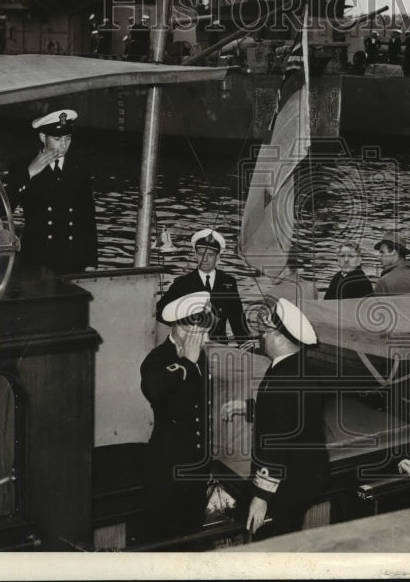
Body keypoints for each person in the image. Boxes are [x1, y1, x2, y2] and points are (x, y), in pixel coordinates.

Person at [221, 298, 329, 539]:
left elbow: (277, 440)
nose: (262, 338)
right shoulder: (300, 367)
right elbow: (289, 414)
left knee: (272, 536)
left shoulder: (282, 379)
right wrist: (249, 407)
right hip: (307, 472)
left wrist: (262, 497)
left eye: (266, 333)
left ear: (280, 338)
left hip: (288, 480)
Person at [140, 291, 215, 542]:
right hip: (167, 469)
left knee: (192, 533)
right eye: (199, 332)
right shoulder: (157, 359)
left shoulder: (200, 356)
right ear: (180, 328)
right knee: (165, 539)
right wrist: (185, 363)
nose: (205, 338)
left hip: (195, 467)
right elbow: (153, 388)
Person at [0, 109, 98, 275]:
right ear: (43, 137)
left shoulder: (79, 168)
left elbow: (88, 219)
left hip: (73, 261)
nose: (63, 145)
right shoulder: (22, 166)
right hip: (37, 261)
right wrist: (29, 173)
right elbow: (1, 208)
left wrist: (91, 263)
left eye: (68, 138)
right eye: (57, 139)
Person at [156, 229, 250, 341]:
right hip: (189, 345)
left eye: (210, 255)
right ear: (195, 255)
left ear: (218, 257)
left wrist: (246, 346)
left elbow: (237, 321)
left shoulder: (228, 283)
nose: (204, 259)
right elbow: (162, 314)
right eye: (201, 254)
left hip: (218, 346)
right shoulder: (182, 283)